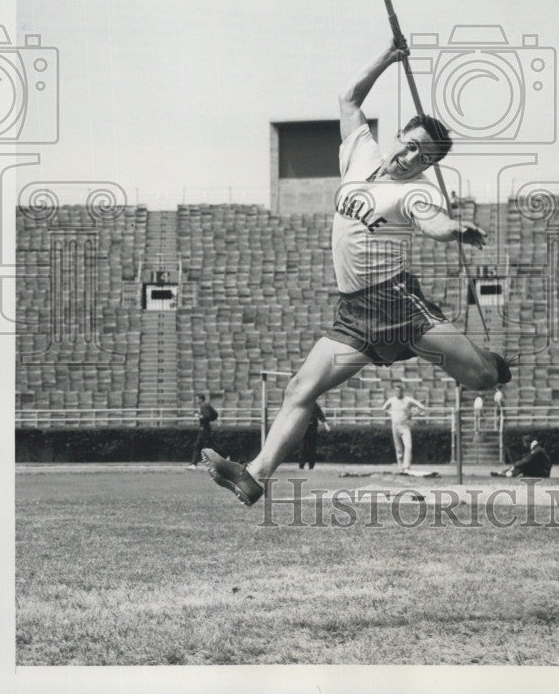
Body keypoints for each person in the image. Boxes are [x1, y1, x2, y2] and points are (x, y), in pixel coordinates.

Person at [203, 38, 512, 505]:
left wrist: (454, 229)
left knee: (484, 379)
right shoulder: (360, 152)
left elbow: (434, 223)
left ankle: (489, 361)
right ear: (399, 137)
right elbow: (349, 98)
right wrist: (389, 57)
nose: (409, 159)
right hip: (354, 316)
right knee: (300, 389)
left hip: (399, 306)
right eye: (409, 147)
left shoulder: (419, 192)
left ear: (430, 166)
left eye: (422, 157)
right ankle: (253, 477)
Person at [383, 381, 425, 474]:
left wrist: (413, 413)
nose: (398, 393)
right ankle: (400, 466)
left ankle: (406, 466)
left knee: (408, 446)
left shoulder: (408, 400)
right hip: (395, 425)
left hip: (405, 425)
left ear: (403, 391)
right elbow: (384, 408)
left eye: (400, 391)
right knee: (398, 448)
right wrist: (391, 413)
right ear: (395, 392)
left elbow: (422, 407)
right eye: (396, 391)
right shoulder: (392, 400)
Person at [187, 393, 218, 469]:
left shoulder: (203, 406)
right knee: (208, 446)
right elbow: (215, 415)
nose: (196, 400)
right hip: (206, 428)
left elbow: (206, 416)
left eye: (197, 399)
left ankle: (194, 464)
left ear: (201, 399)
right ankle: (225, 456)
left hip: (204, 429)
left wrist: (199, 416)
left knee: (199, 446)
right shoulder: (206, 405)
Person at [298, 401, 331, 469]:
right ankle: (301, 464)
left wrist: (326, 425)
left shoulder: (314, 405)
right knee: (303, 447)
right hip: (304, 429)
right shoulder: (303, 404)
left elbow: (320, 415)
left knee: (312, 447)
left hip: (312, 429)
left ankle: (311, 465)